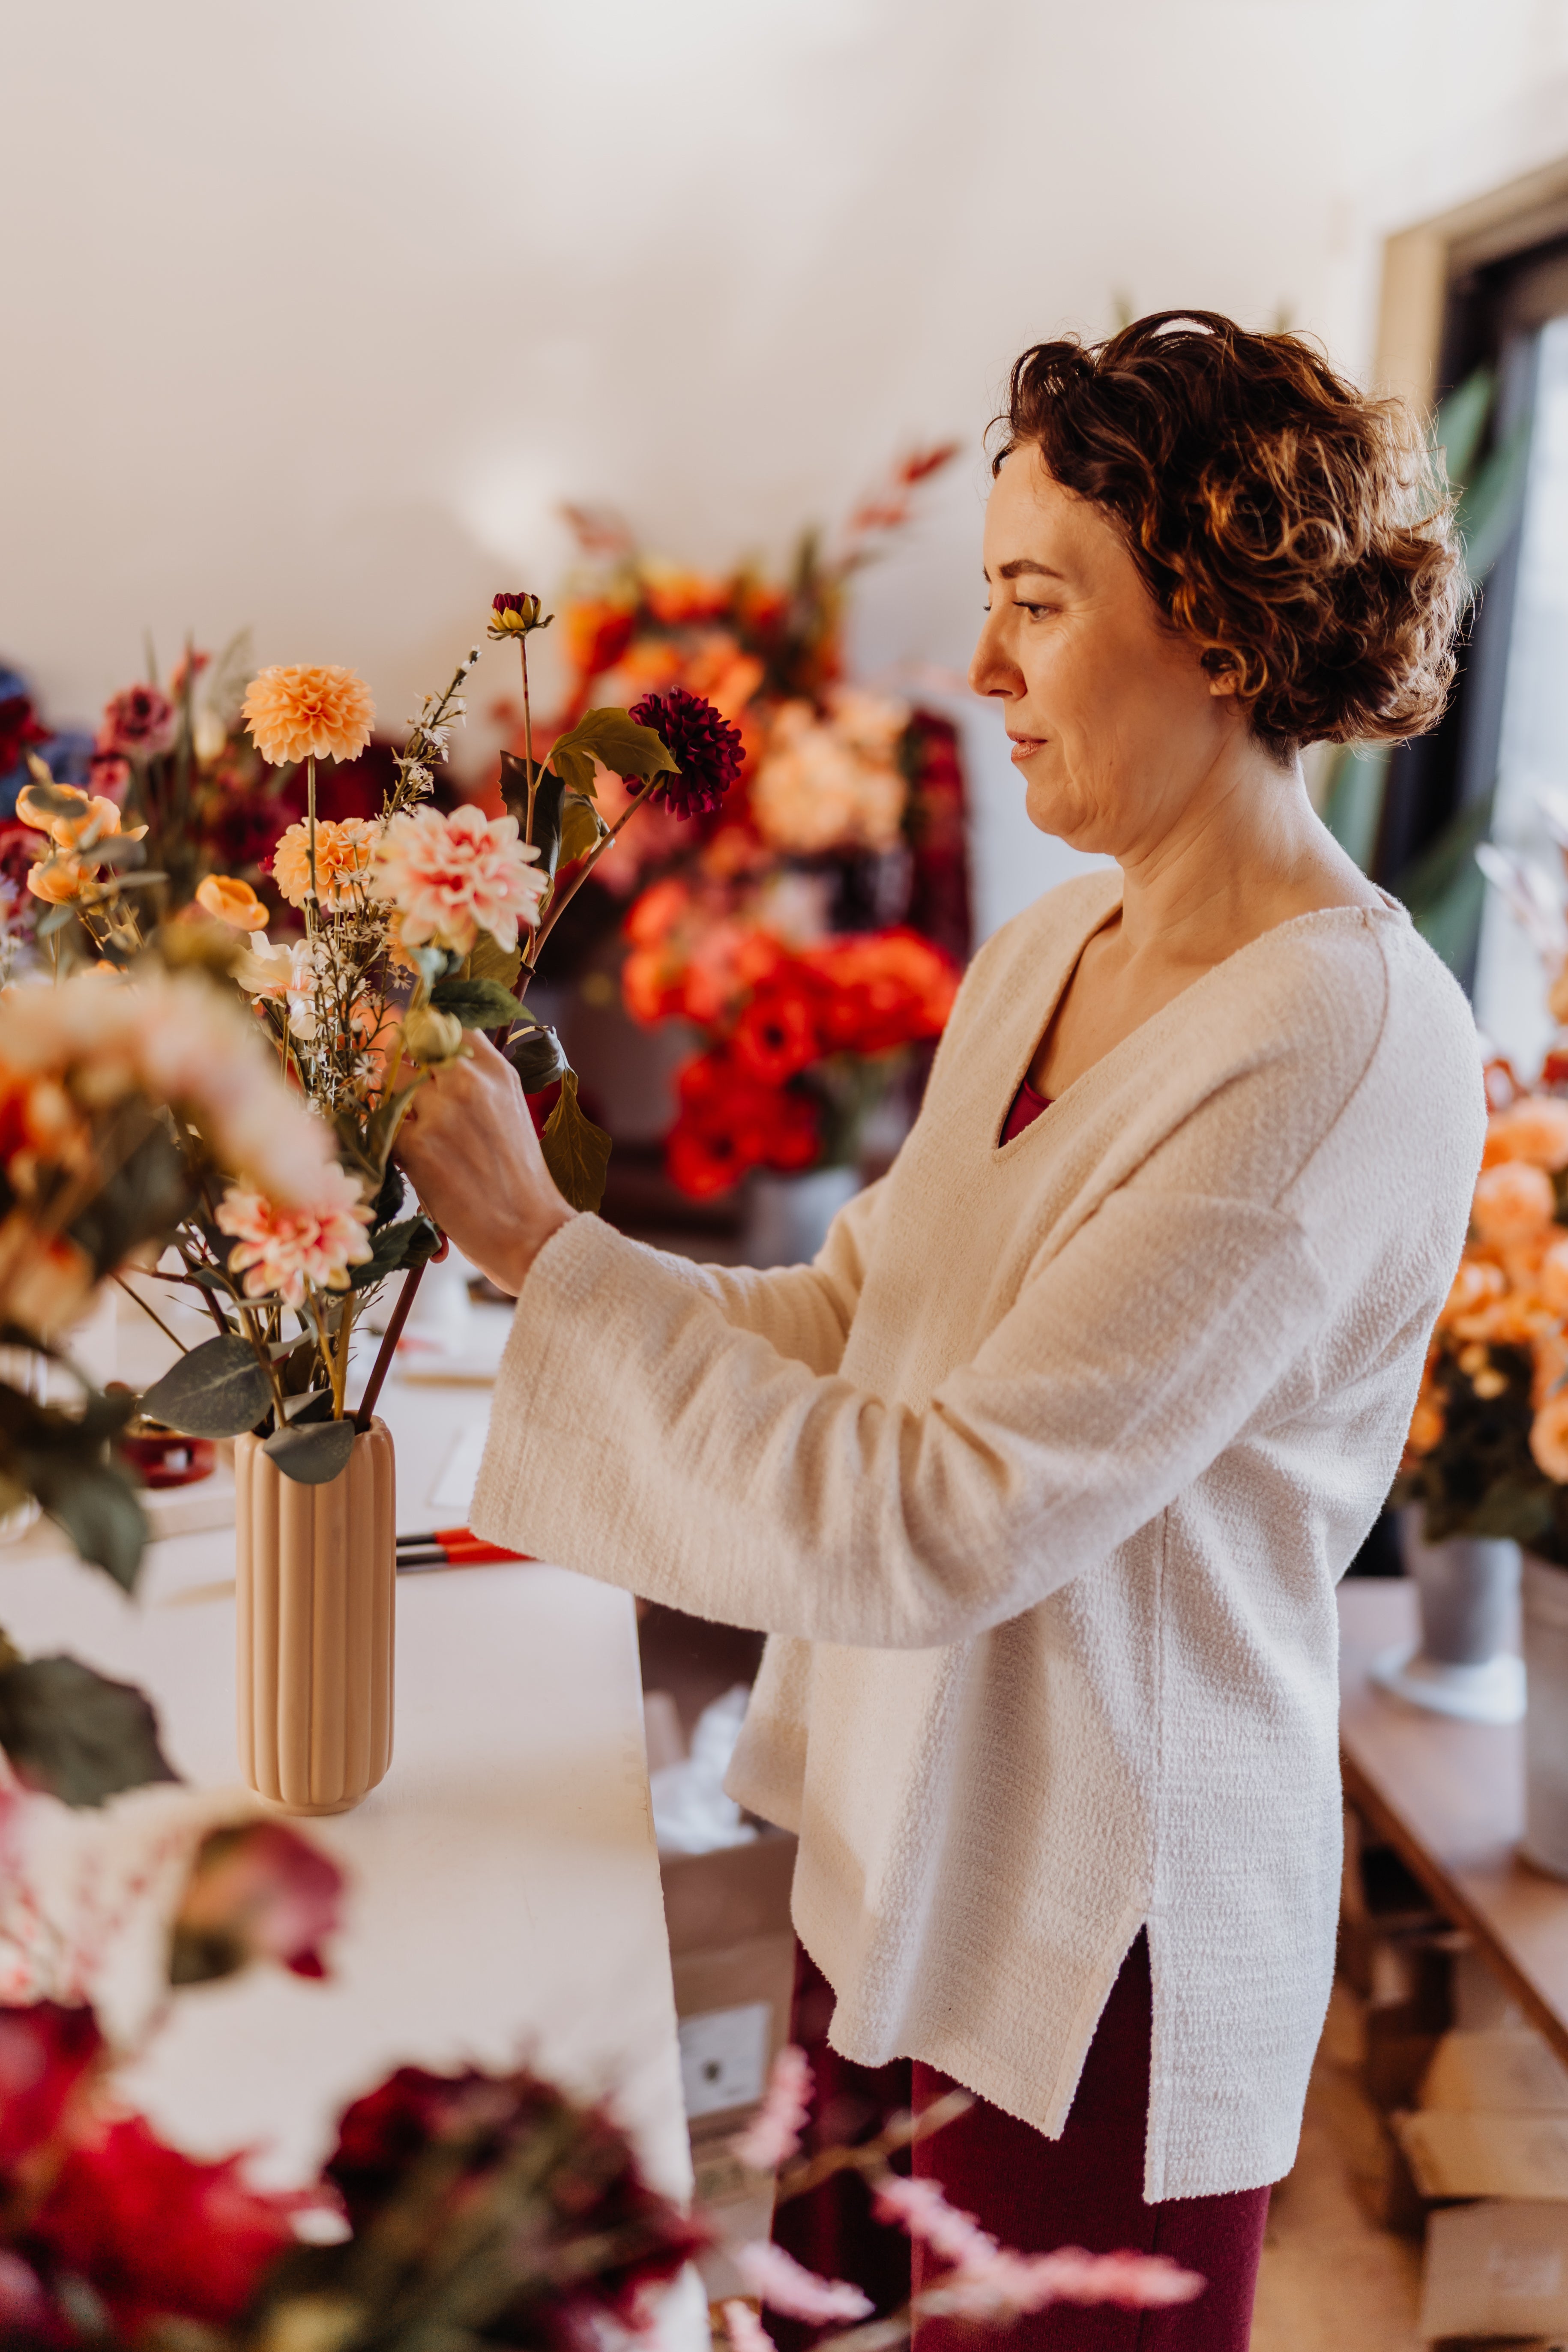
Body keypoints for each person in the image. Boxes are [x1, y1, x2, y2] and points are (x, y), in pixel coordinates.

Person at [398, 311, 1485, 2347]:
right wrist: (528, 1247)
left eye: (1032, 602)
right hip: (900, 1810)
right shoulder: (1055, 934)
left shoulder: (1335, 1040)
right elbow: (854, 1309)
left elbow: (950, 1510)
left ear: (1225, 629)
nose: (979, 668)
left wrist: (556, 1261)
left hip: (1103, 1927)